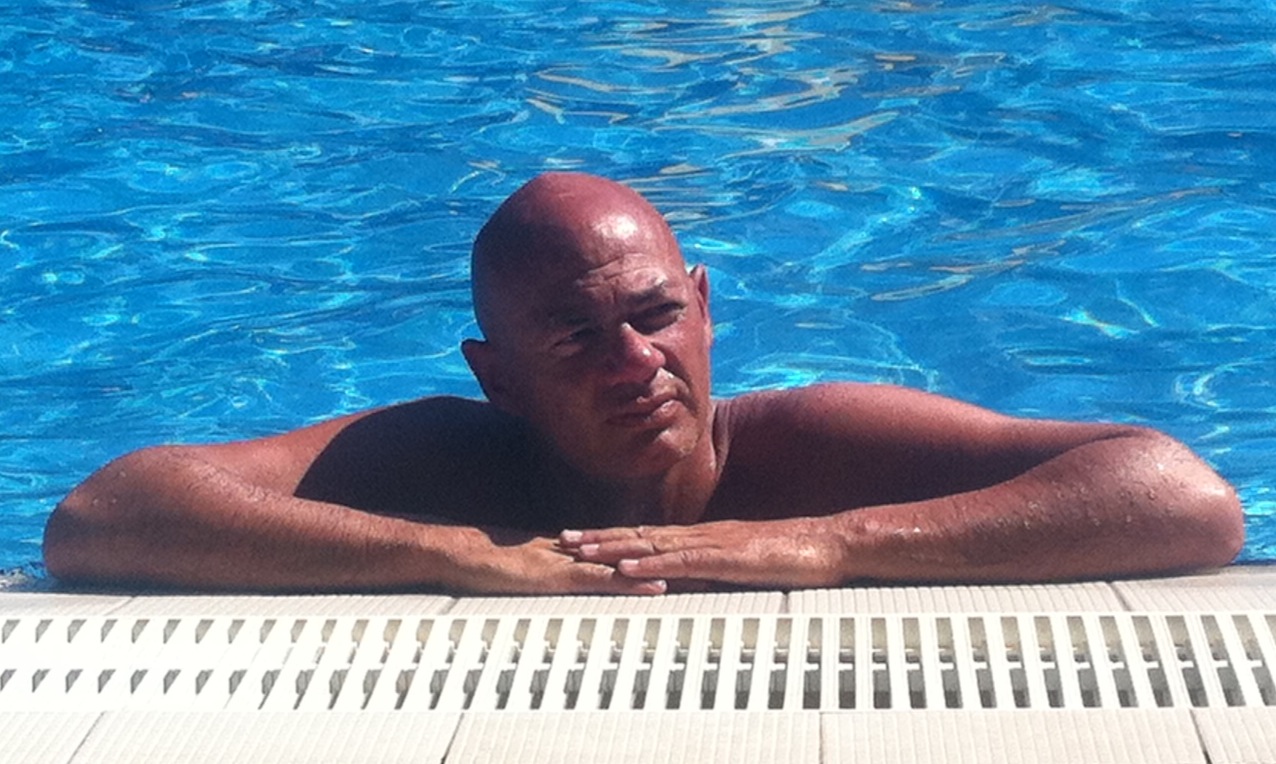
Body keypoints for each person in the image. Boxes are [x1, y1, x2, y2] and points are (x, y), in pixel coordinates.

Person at [43, 172, 1244, 595]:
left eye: (657, 316)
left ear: (704, 309)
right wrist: (447, 554)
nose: (636, 363)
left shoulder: (813, 448)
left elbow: (1181, 495)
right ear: (497, 377)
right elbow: (105, 511)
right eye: (574, 337)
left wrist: (829, 543)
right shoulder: (444, 463)